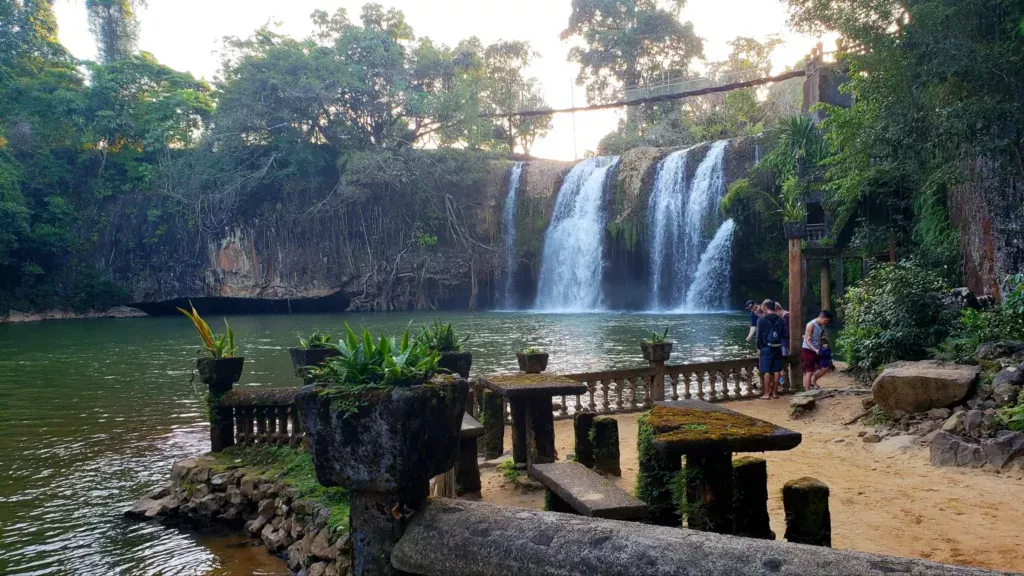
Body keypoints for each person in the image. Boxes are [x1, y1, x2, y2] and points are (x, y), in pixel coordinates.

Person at [755, 299, 789, 399]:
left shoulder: (761, 320)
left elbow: (758, 337)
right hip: (777, 347)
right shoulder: (781, 320)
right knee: (776, 370)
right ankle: (775, 393)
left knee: (766, 371)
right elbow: (785, 335)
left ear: (765, 307)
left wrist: (759, 347)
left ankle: (766, 394)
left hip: (767, 348)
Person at [802, 309, 835, 390]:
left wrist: (822, 347)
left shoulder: (822, 326)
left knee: (825, 368)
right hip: (808, 350)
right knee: (809, 371)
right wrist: (815, 350)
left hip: (818, 349)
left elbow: (819, 338)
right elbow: (807, 340)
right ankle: (807, 392)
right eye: (826, 320)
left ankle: (814, 380)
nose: (826, 322)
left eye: (828, 321)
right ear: (821, 317)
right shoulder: (810, 325)